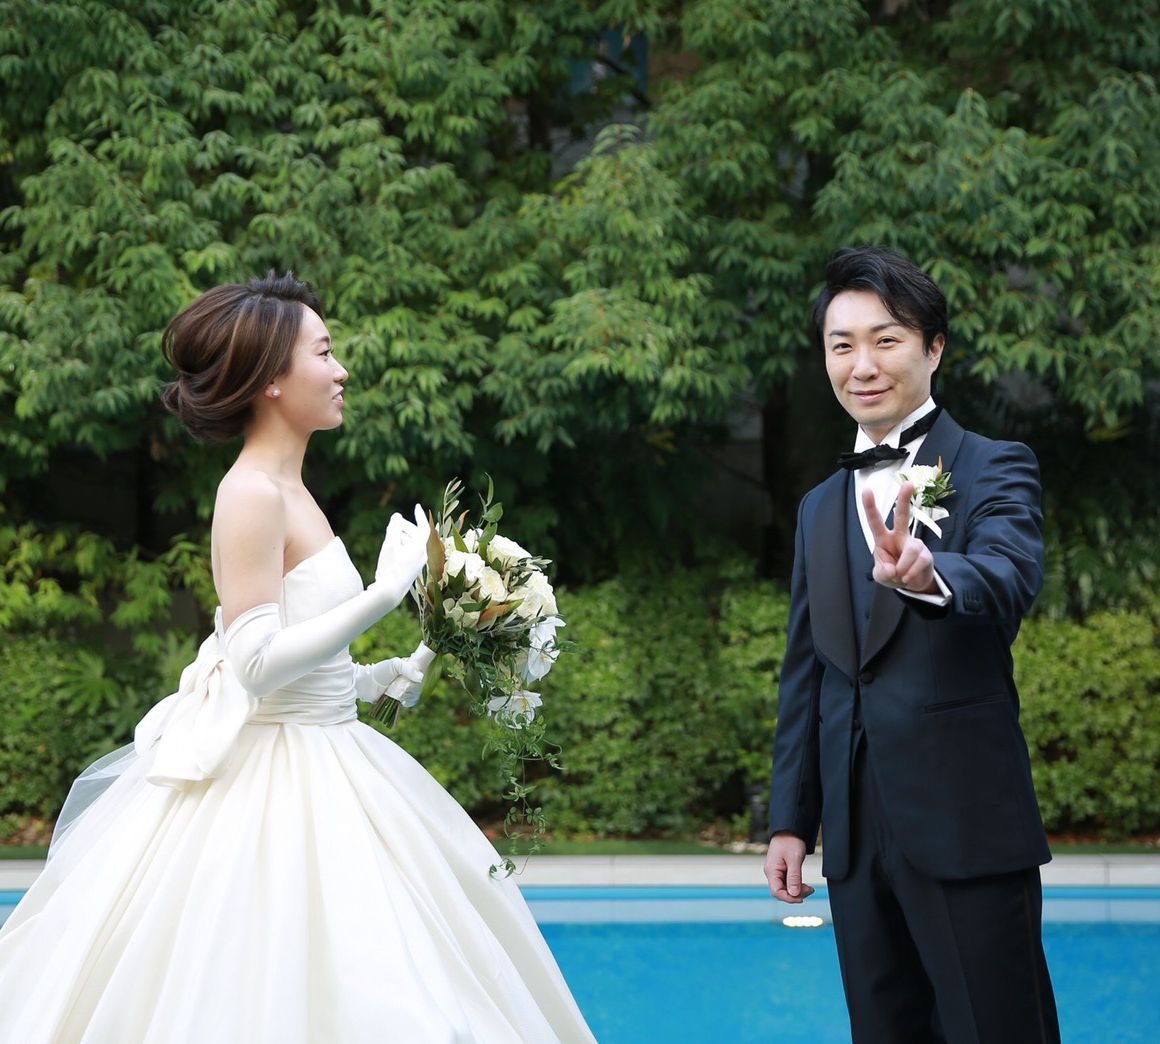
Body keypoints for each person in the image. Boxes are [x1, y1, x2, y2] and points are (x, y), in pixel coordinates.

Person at [0, 272, 595, 1044]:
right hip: (273, 777)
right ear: (272, 380)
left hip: (330, 746)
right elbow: (253, 663)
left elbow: (303, 658)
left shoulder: (293, 488)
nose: (341, 370)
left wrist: (381, 674)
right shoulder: (250, 493)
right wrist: (382, 595)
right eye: (324, 353)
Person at [764, 246, 1060, 1043]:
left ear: (933, 348)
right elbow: (809, 674)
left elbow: (1008, 574)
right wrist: (791, 819)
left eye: (885, 340)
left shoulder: (994, 466)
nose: (862, 365)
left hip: (966, 822)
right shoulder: (819, 507)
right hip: (855, 842)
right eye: (842, 345)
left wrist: (932, 575)